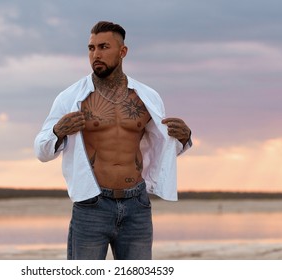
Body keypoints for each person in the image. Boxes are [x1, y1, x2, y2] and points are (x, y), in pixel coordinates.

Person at [34, 21, 192, 260]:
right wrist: (57, 131)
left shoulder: (146, 97)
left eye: (104, 47)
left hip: (136, 205)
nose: (96, 54)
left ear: (123, 51)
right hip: (91, 204)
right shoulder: (71, 97)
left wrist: (184, 138)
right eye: (91, 48)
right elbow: (41, 150)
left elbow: (161, 148)